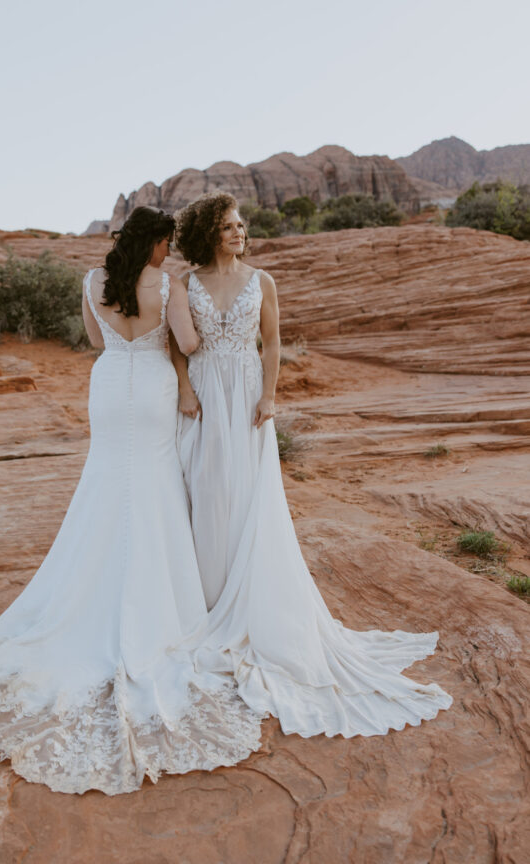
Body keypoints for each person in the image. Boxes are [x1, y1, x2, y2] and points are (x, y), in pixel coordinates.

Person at [0, 206, 262, 795]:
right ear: (158, 242)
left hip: (111, 385)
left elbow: (95, 339)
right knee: (158, 484)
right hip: (155, 390)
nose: (168, 253)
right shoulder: (165, 285)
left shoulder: (93, 281)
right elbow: (187, 342)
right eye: (166, 244)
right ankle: (163, 605)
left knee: (106, 479)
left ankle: (88, 588)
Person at [172, 191, 453, 738]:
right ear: (209, 231)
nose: (239, 231)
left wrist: (269, 396)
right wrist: (184, 388)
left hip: (247, 392)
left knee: (251, 494)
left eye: (241, 224)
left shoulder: (263, 281)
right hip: (205, 392)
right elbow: (175, 347)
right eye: (229, 226)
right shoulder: (187, 284)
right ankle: (203, 603)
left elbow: (272, 344)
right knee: (206, 488)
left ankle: (249, 603)